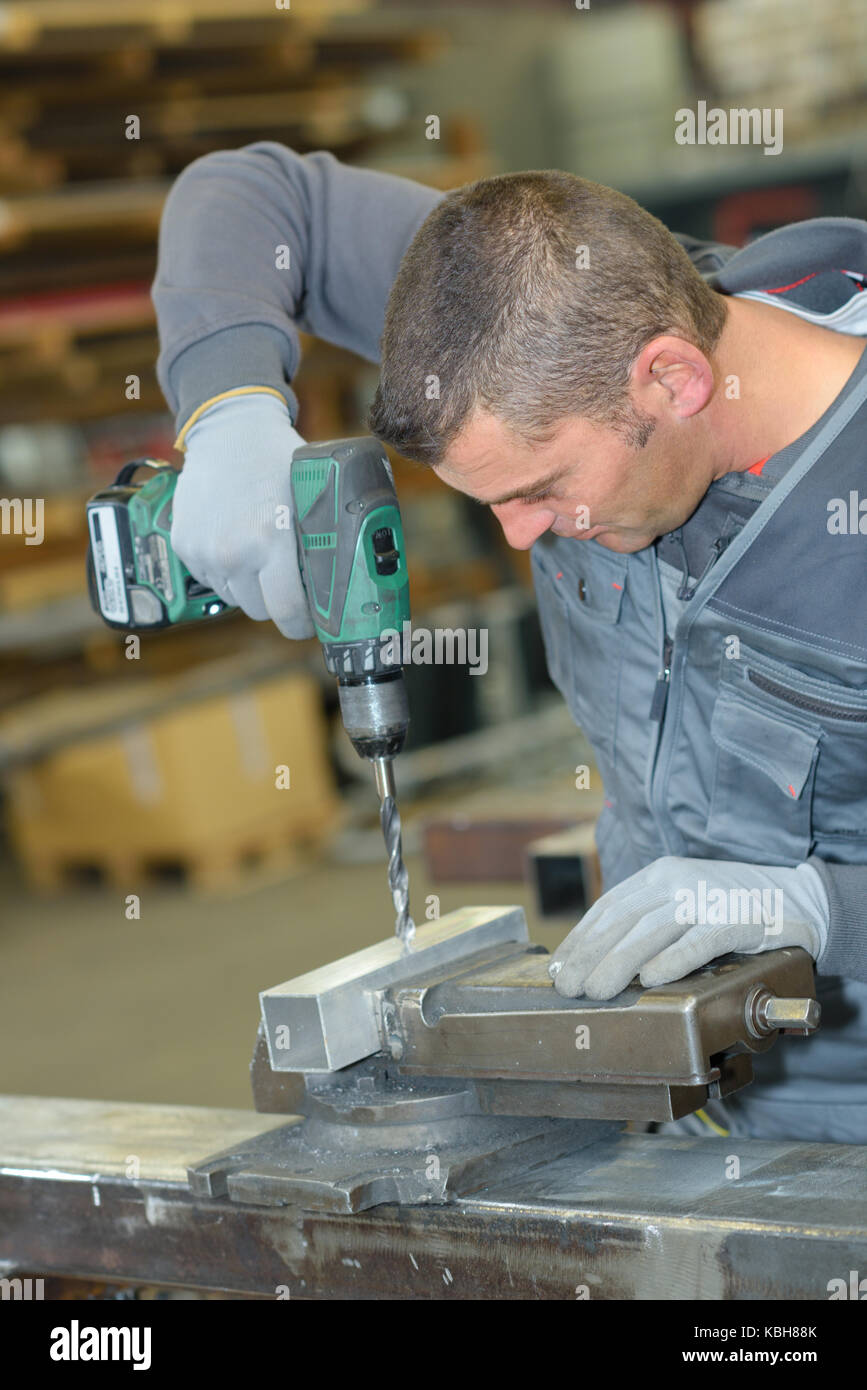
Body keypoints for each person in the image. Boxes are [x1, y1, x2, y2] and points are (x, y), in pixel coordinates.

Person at [153, 144, 867, 1142]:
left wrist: (820, 906)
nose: (518, 536)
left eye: (538, 491)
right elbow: (258, 196)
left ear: (674, 379)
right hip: (665, 1092)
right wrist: (228, 409)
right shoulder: (535, 305)